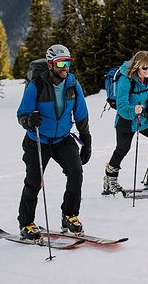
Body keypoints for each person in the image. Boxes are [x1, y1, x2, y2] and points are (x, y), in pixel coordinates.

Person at [16, 44, 92, 240]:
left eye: (67, 63)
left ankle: (69, 215)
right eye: (60, 63)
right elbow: (22, 113)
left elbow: (81, 114)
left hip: (63, 139)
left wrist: (86, 140)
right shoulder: (37, 86)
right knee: (34, 182)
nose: (65, 67)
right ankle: (26, 223)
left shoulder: (73, 85)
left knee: (76, 173)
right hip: (38, 140)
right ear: (50, 65)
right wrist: (29, 121)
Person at [103, 50, 148, 194]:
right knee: (122, 149)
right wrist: (134, 110)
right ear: (137, 66)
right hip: (126, 121)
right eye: (145, 68)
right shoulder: (125, 79)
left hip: (145, 118)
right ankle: (110, 181)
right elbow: (121, 107)